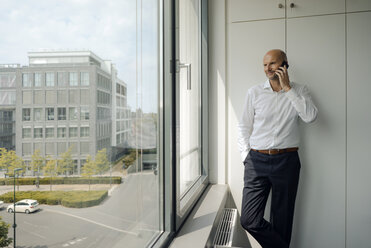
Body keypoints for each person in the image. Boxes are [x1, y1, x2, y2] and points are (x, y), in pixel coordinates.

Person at [238, 49, 318, 248]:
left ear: (285, 65)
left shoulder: (300, 90)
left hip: (287, 161)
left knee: (282, 221)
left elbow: (310, 116)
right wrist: (245, 156)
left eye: (273, 63)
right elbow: (243, 127)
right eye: (265, 65)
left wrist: (288, 88)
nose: (268, 68)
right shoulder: (254, 92)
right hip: (256, 161)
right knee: (249, 220)